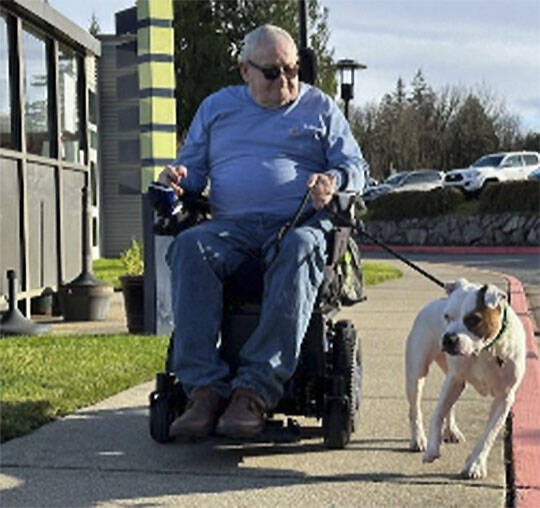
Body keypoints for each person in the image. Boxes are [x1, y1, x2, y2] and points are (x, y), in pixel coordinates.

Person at [159, 24, 367, 439]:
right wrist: (179, 179)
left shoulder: (321, 107)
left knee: (304, 245)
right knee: (188, 247)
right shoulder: (217, 108)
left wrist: (334, 181)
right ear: (244, 71)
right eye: (273, 73)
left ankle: (253, 392)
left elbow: (357, 168)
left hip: (297, 225)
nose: (286, 81)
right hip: (230, 229)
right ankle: (203, 391)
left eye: (292, 70)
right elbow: (194, 172)